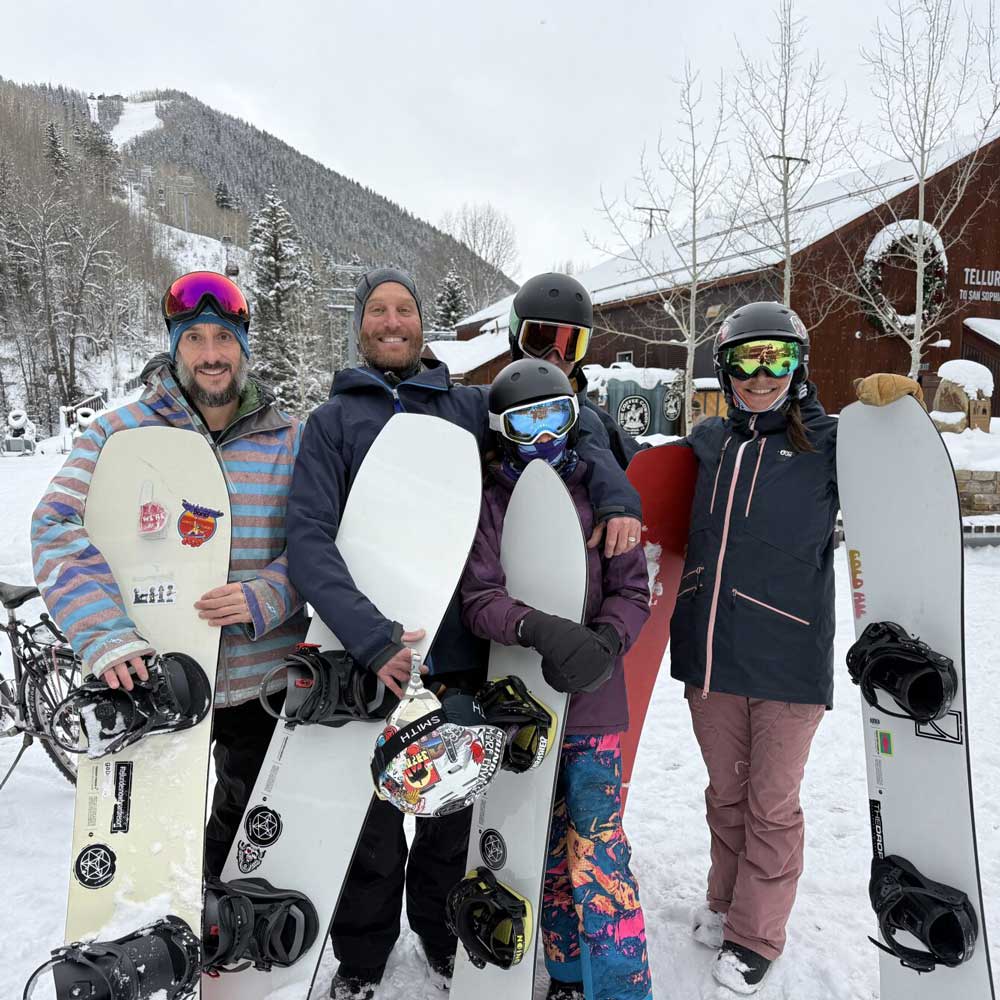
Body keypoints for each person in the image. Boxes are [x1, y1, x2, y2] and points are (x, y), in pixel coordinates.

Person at [285, 266, 644, 1000]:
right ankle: (361, 957)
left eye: (404, 309)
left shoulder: (464, 405)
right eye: (377, 310)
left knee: (452, 816)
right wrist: (371, 638)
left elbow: (569, 421)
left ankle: (443, 934)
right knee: (373, 830)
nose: (392, 321)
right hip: (368, 655)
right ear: (360, 325)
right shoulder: (331, 424)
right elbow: (309, 542)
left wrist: (615, 492)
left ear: (422, 325)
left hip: (456, 648)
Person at [668, 300, 922, 994]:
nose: (761, 374)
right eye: (747, 359)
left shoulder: (831, 440)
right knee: (726, 795)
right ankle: (725, 904)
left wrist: (891, 418)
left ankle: (756, 934)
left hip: (787, 657)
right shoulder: (709, 443)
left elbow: (903, 483)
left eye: (777, 357)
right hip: (710, 654)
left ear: (799, 365)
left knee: (771, 803)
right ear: (724, 368)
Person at [31, 271, 308, 875]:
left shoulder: (290, 439)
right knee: (153, 833)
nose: (211, 355)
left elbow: (320, 542)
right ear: (174, 347)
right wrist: (105, 633)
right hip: (155, 677)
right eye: (194, 339)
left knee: (246, 829)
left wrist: (270, 593)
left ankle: (226, 929)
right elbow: (55, 526)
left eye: (224, 339)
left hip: (263, 679)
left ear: (244, 347)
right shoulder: (118, 433)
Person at [460, 358, 653, 1000]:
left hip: (595, 704)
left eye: (555, 417)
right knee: (542, 850)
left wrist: (605, 639)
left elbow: (633, 590)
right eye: (526, 421)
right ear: (502, 429)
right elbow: (479, 597)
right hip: (526, 703)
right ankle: (567, 973)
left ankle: (623, 989)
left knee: (597, 853)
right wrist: (538, 628)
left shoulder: (602, 493)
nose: (543, 435)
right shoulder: (493, 502)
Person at [508, 271, 641, 469]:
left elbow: (644, 463)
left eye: (569, 347)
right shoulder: (486, 409)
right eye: (540, 342)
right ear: (516, 340)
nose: (554, 358)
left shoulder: (596, 424)